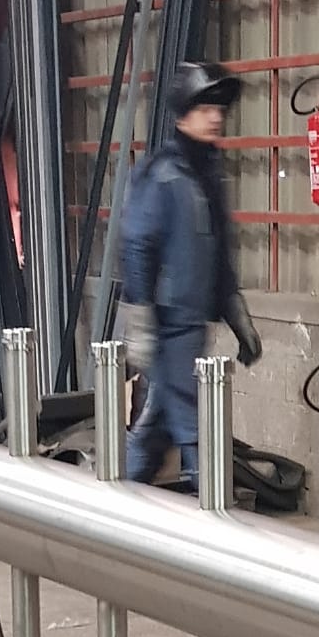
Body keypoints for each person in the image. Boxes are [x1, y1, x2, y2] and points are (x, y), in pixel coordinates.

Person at [120, 61, 263, 488]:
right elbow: (137, 245)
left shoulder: (208, 175)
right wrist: (140, 321)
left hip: (192, 327)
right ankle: (214, 514)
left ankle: (113, 503)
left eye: (219, 108)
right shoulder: (162, 176)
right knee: (197, 429)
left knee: (157, 430)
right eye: (204, 108)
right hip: (168, 329)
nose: (215, 117)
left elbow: (218, 255)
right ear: (182, 115)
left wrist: (238, 317)